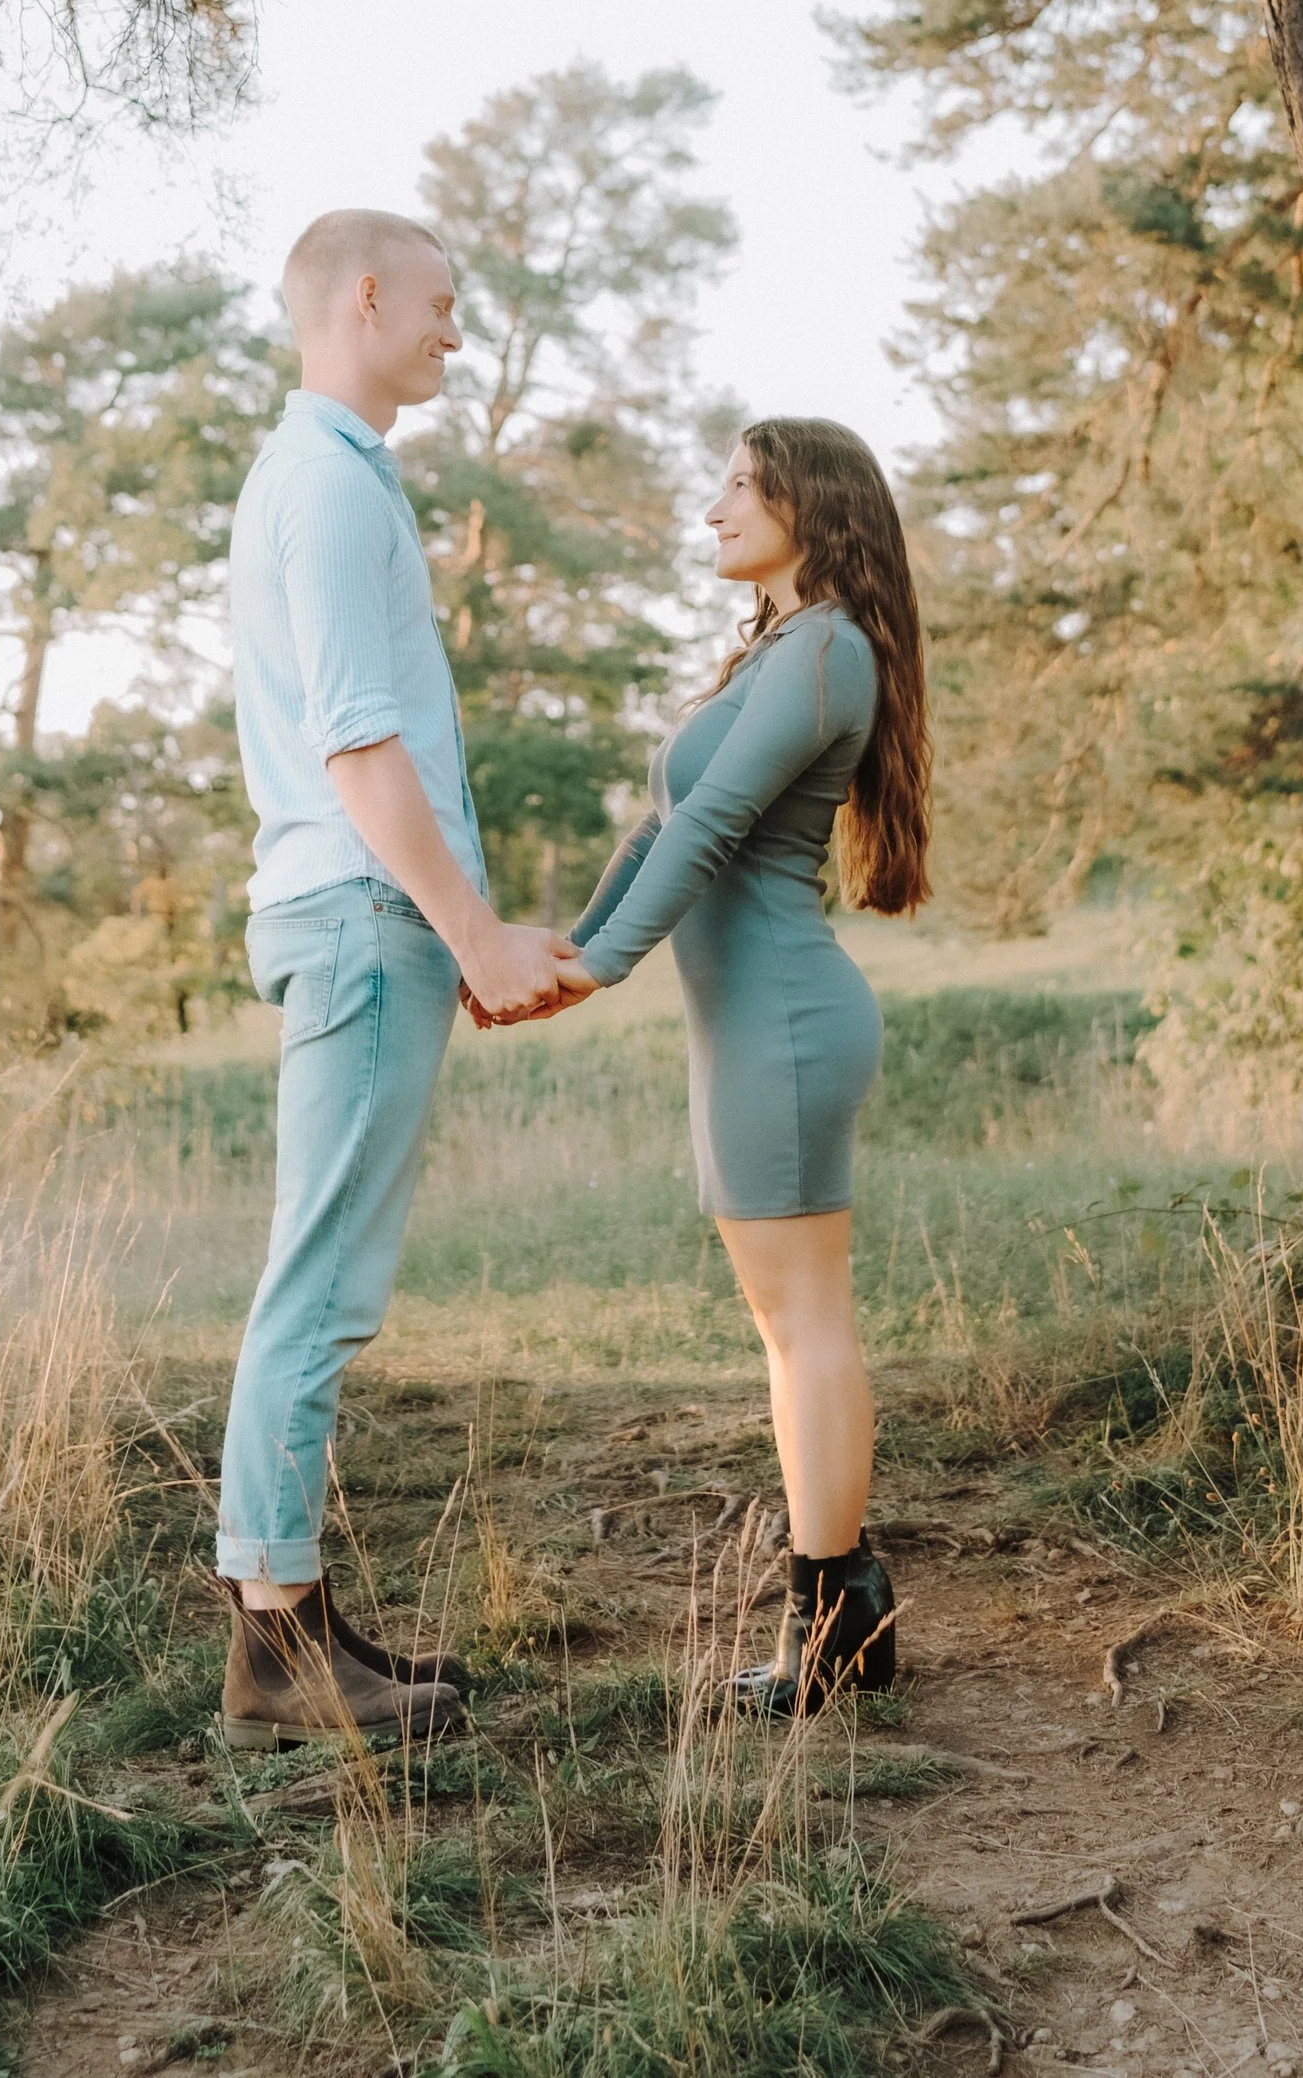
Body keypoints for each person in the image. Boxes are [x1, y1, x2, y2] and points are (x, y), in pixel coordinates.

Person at [215, 206, 594, 1749]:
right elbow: (358, 746)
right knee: (319, 1283)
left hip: (368, 913)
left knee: (325, 1276)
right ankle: (273, 1646)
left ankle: (294, 1616)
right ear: (364, 296)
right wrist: (474, 933)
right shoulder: (325, 484)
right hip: (365, 911)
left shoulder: (335, 474)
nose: (456, 331)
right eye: (442, 303)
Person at [568, 417, 932, 1715]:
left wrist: (598, 968)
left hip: (783, 1020)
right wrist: (567, 949)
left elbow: (715, 824)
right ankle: (849, 1611)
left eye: (738, 485)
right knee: (790, 1326)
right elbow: (658, 823)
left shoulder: (827, 648)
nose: (713, 507)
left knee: (806, 1326)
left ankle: (831, 1619)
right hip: (748, 1027)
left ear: (808, 503)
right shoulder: (778, 652)